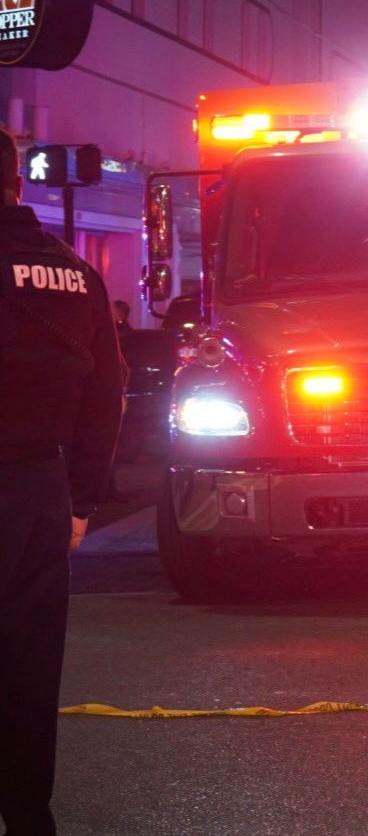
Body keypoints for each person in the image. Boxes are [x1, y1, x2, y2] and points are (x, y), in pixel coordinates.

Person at [0, 128, 125, 835]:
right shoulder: (75, 274)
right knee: (28, 666)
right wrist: (81, 501)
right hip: (42, 492)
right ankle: (28, 819)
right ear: (17, 184)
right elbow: (105, 394)